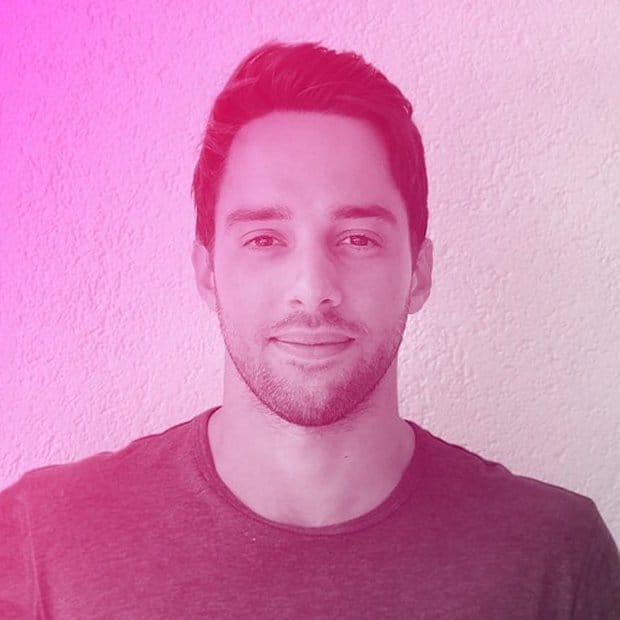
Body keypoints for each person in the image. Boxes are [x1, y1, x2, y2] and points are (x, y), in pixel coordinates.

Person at [1, 41, 618, 619]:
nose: (313, 287)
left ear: (419, 273)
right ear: (208, 272)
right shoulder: (41, 543)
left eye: (358, 238)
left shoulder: (554, 556)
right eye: (265, 239)